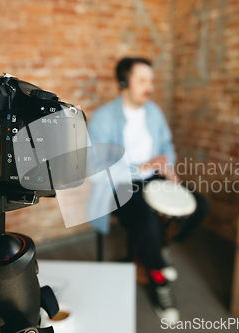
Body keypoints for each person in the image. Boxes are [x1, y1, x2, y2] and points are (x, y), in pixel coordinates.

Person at [87, 57, 209, 322]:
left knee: (200, 206)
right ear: (123, 83)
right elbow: (97, 172)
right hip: (119, 185)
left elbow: (166, 146)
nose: (149, 87)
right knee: (145, 220)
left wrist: (168, 166)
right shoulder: (103, 118)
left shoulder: (153, 111)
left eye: (151, 80)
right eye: (142, 80)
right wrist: (142, 166)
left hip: (154, 178)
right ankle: (159, 279)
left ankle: (159, 248)